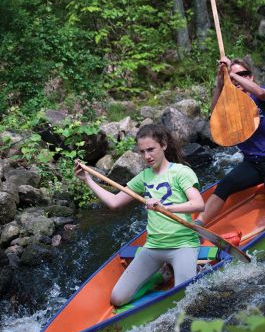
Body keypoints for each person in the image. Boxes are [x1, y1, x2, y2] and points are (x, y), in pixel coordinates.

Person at [74, 124, 204, 306]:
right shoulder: (144, 177)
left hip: (183, 245)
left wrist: (165, 207)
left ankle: (192, 268)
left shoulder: (181, 172)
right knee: (117, 299)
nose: (147, 156)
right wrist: (87, 179)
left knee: (184, 299)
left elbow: (198, 204)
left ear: (164, 145)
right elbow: (114, 202)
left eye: (151, 150)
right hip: (153, 247)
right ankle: (160, 276)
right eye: (142, 152)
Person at [195, 56, 265, 227]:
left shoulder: (261, 94)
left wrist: (233, 76)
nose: (237, 79)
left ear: (251, 77)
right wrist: (220, 83)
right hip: (254, 164)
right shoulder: (230, 105)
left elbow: (262, 94)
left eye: (242, 74)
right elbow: (215, 114)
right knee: (226, 184)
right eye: (232, 76)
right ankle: (198, 225)